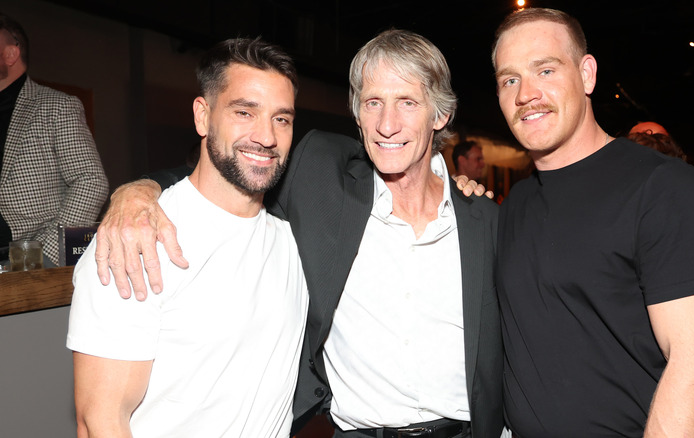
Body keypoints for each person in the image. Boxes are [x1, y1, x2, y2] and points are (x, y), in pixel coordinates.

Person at [93, 30, 502, 438]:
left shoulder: (484, 221)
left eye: (408, 103)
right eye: (373, 103)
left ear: (440, 115)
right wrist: (138, 191)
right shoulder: (322, 180)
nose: (388, 124)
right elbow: (232, 169)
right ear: (357, 114)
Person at [492, 8, 694, 437]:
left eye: (545, 69)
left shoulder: (663, 187)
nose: (526, 93)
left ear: (586, 74)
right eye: (509, 79)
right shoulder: (514, 204)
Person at [67, 37, 308, 437]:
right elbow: (101, 421)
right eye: (244, 112)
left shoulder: (290, 236)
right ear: (202, 116)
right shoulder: (135, 241)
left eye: (281, 119)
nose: (266, 136)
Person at [0, 12, 108, 263]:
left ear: (10, 54)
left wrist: (44, 255)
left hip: (25, 262)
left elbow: (90, 181)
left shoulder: (56, 106)